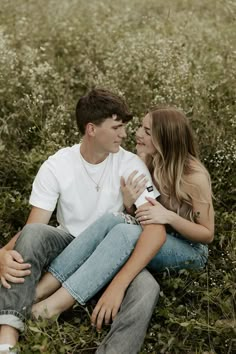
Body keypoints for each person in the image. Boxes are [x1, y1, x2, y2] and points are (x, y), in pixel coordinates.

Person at [0, 89, 165, 354]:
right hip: (67, 245)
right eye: (116, 127)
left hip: (111, 253)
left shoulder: (131, 165)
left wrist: (121, 283)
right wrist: (3, 253)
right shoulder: (57, 165)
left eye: (124, 127)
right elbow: (34, 226)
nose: (124, 135)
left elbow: (155, 227)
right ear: (91, 129)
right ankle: (7, 340)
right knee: (34, 234)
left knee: (147, 288)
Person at [31, 106, 214, 336]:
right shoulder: (147, 160)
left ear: (164, 139)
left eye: (147, 131)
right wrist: (129, 204)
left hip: (190, 249)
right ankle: (40, 290)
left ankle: (55, 306)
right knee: (112, 219)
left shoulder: (193, 176)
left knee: (124, 233)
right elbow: (146, 215)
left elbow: (207, 234)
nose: (137, 133)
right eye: (141, 126)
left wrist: (170, 217)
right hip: (158, 234)